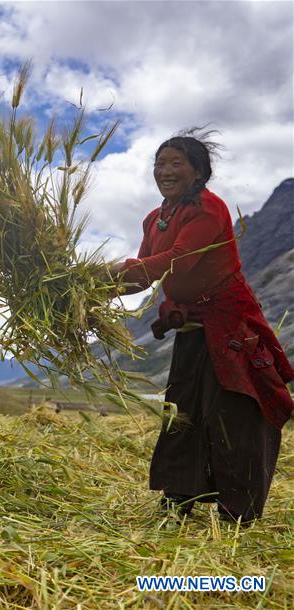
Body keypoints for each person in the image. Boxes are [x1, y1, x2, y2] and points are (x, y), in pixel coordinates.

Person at [112, 132, 293, 523]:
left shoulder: (209, 209)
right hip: (192, 326)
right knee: (183, 410)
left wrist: (111, 271)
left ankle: (237, 510)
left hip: (228, 324)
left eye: (176, 163)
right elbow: (144, 277)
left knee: (233, 411)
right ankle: (178, 498)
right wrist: (82, 289)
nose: (165, 171)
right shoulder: (154, 218)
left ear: (198, 172)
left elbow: (178, 260)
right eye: (160, 164)